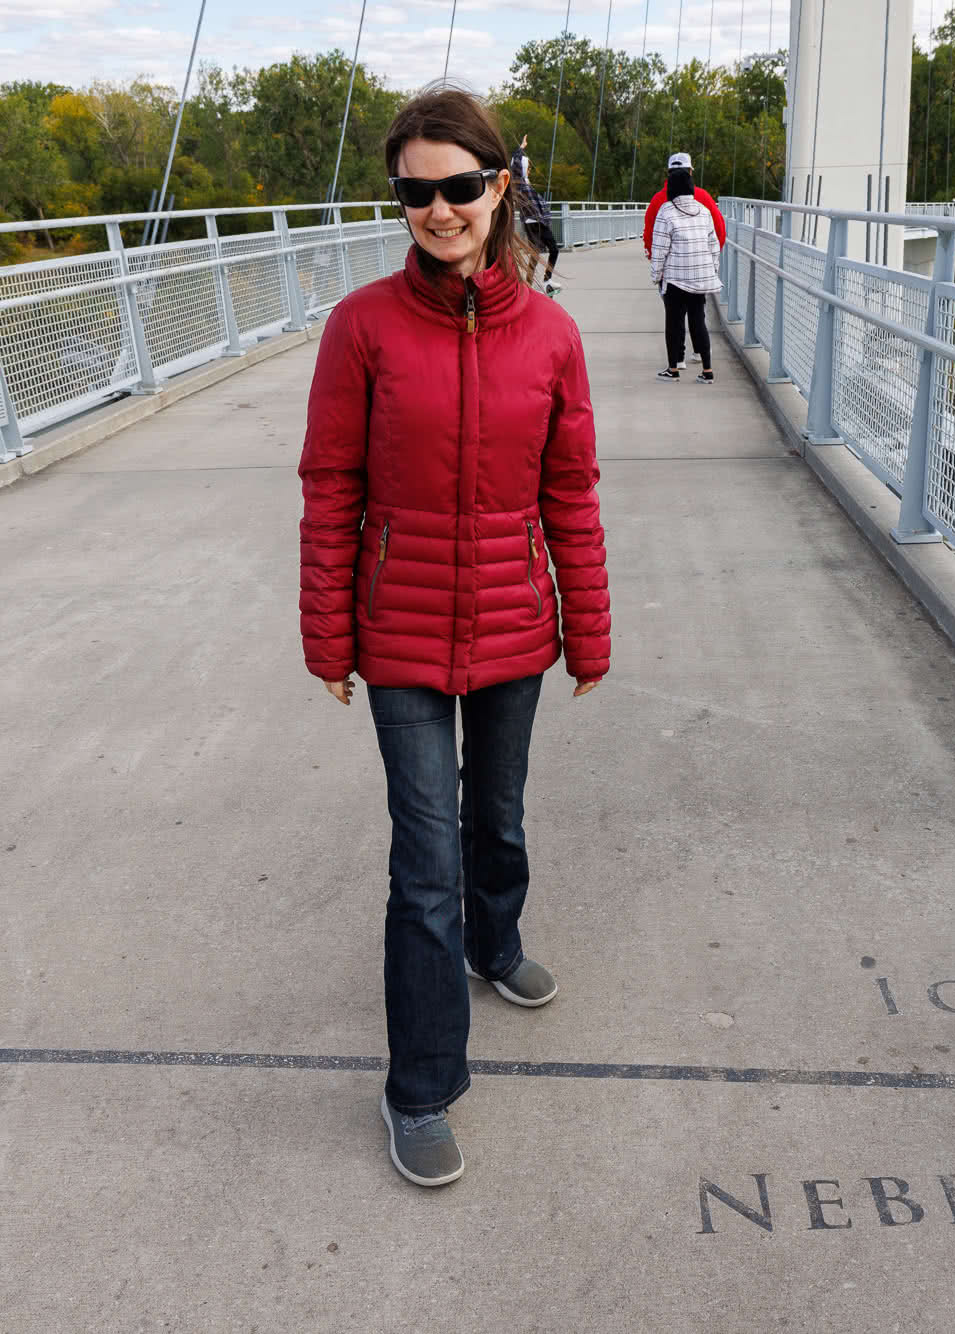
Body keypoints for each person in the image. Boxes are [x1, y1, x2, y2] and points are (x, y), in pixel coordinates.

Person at [298, 88, 611, 1188]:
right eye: (415, 191)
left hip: (515, 624)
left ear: (499, 186)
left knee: (500, 816)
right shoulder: (362, 328)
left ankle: (498, 942)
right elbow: (331, 483)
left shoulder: (554, 335)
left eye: (459, 186)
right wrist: (325, 631)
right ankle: (419, 1085)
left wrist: (588, 625)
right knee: (422, 865)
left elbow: (569, 490)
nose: (438, 209)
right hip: (399, 633)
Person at [641, 152, 724, 361]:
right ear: (690, 172)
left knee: (674, 316)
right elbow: (719, 231)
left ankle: (677, 359)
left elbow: (650, 235)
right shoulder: (703, 197)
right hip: (699, 267)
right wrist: (709, 260)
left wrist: (655, 265)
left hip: (671, 272)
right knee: (698, 312)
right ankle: (700, 353)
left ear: (668, 175)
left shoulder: (658, 200)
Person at [510, 133, 563, 295]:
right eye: (529, 167)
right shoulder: (518, 182)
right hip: (534, 221)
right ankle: (544, 281)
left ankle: (529, 283)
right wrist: (522, 147)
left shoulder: (524, 182)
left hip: (534, 221)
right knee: (553, 249)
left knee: (536, 252)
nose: (530, 170)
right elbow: (515, 162)